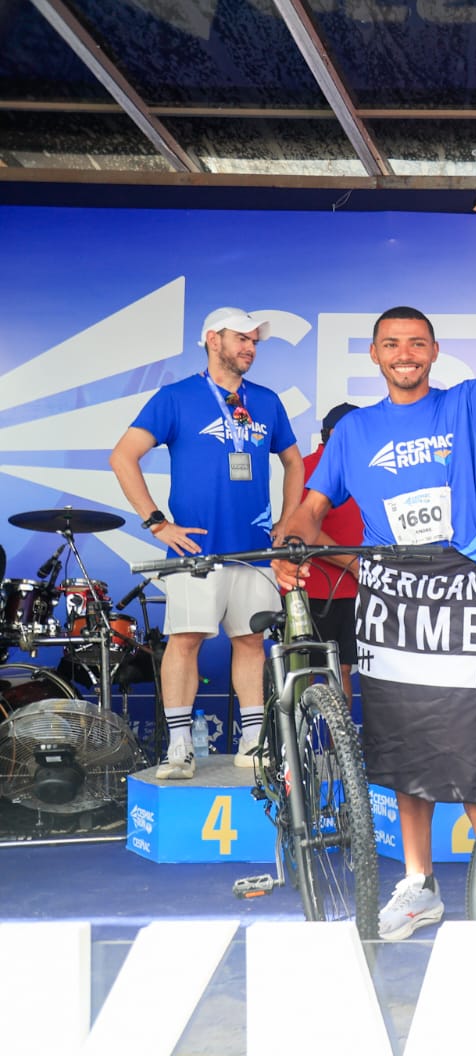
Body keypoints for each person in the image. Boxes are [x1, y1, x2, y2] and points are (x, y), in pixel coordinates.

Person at [274, 207, 476, 938]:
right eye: (392, 344)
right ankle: (419, 884)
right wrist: (290, 542)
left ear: (433, 352)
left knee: (472, 746)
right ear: (374, 354)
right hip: (388, 597)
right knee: (401, 746)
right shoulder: (354, 430)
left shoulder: (463, 406)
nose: (405, 354)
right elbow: (310, 509)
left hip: (456, 589)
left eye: (417, 343)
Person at [110, 307, 304, 778]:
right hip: (195, 551)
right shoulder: (176, 397)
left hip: (255, 550)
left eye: (255, 341)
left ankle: (253, 742)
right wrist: (157, 523)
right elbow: (123, 456)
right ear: (213, 339)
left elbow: (294, 463)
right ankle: (180, 747)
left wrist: (288, 520)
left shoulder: (266, 400)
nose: (251, 348)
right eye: (242, 338)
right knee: (185, 641)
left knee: (251, 641)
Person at [299, 402, 363, 702]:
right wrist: (354, 564)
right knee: (314, 671)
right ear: (333, 433)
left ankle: (341, 735)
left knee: (343, 669)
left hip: (359, 589)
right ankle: (307, 734)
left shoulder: (368, 466)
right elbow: (304, 529)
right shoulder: (308, 467)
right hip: (317, 587)